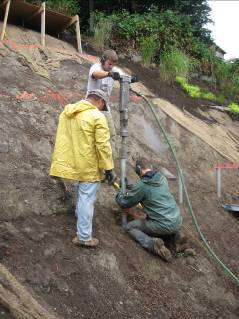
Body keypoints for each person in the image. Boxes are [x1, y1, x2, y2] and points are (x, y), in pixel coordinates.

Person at [50, 89, 115, 248]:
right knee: (87, 197)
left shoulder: (67, 112)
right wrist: (108, 169)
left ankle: (80, 216)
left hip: (72, 161)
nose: (101, 109)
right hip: (88, 164)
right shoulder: (97, 116)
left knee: (83, 192)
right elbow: (103, 146)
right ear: (100, 102)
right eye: (102, 106)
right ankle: (84, 237)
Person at [115, 157, 183, 262]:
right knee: (165, 225)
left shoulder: (143, 186)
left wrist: (121, 191)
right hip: (176, 221)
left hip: (162, 225)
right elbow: (148, 190)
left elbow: (124, 202)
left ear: (138, 169)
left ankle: (154, 245)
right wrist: (131, 186)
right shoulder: (161, 178)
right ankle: (174, 240)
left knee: (130, 227)